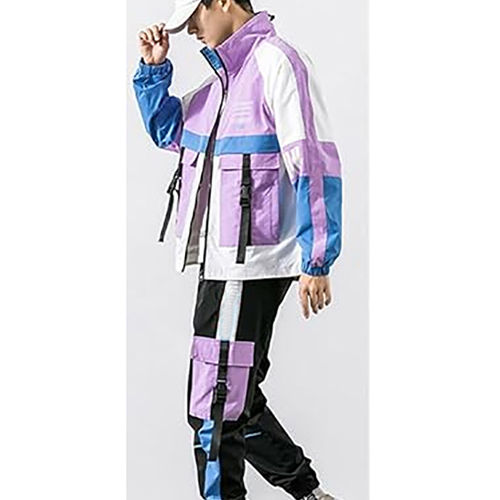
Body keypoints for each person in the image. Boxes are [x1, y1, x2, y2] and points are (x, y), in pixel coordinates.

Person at [132, 1, 343, 498]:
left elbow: (313, 160)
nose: (191, 30)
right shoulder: (222, 84)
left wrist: (317, 258)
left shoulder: (277, 63)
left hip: (249, 268)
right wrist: (154, 70)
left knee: (214, 404)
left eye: (196, 17)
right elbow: (170, 132)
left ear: (225, 2)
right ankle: (310, 493)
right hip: (220, 265)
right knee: (230, 399)